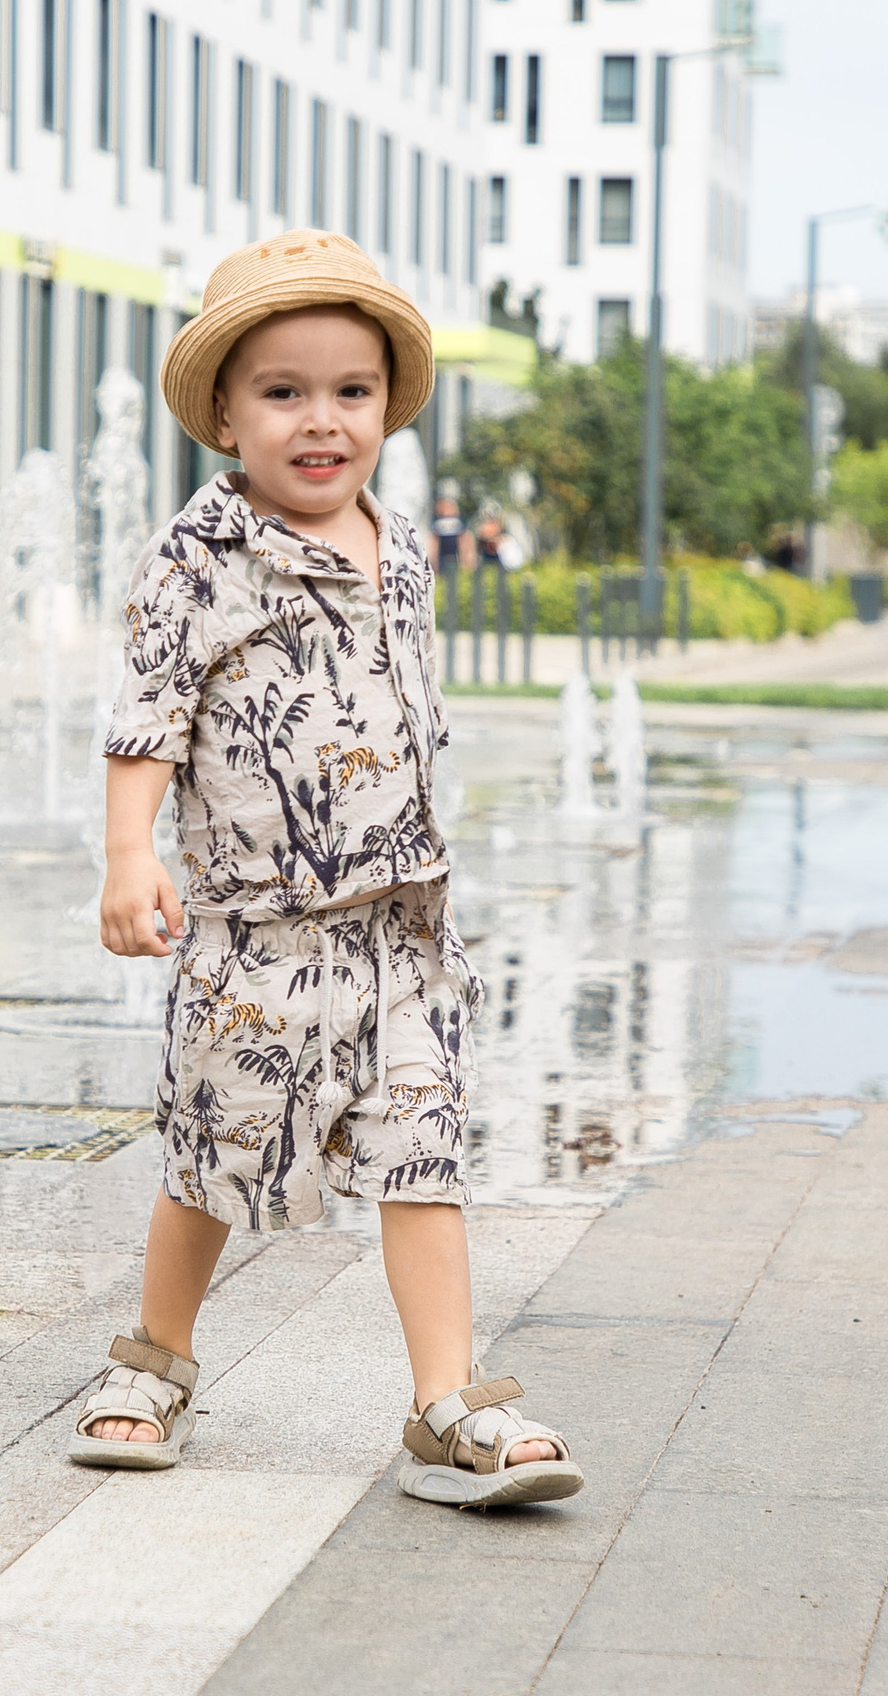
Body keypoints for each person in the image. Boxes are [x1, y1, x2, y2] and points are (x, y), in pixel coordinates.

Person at [69, 230, 584, 1509]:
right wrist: (131, 852)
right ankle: (158, 1359)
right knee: (214, 1153)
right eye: (283, 392)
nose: (320, 421)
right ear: (227, 414)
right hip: (258, 931)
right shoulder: (199, 553)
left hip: (400, 925)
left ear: (385, 410)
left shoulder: (401, 546)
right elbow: (150, 715)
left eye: (349, 393)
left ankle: (445, 1398)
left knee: (423, 1147)